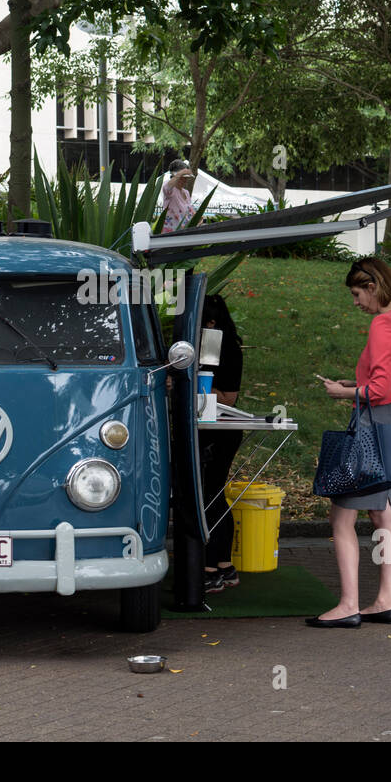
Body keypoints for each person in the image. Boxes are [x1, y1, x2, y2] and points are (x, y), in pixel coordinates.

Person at [308, 257, 391, 629]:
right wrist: (350, 385)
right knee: (384, 514)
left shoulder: (383, 324)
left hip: (375, 424)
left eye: (358, 294)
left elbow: (378, 388)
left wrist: (341, 394)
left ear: (373, 287)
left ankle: (348, 605)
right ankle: (385, 601)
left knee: (342, 515)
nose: (356, 302)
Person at [199, 294, 244, 594]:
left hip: (223, 430)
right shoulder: (211, 344)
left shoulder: (229, 348)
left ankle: (211, 566)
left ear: (212, 323)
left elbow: (229, 398)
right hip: (206, 427)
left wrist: (202, 389)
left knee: (211, 494)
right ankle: (223, 565)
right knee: (212, 493)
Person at [161, 159, 195, 233]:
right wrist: (182, 172)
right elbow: (167, 187)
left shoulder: (186, 193)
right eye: (182, 177)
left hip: (184, 232)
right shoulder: (170, 189)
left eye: (186, 177)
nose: (185, 180)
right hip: (171, 233)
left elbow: (189, 210)